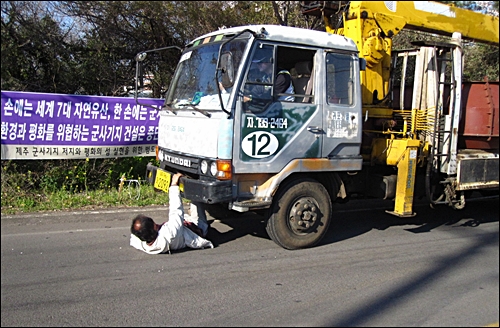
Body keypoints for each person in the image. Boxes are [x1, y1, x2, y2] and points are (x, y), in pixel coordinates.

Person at [129, 173, 213, 254]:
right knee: (195, 196)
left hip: (182, 227)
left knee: (182, 218)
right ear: (154, 227)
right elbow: (176, 210)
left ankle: (189, 215)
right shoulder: (170, 234)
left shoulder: (144, 243)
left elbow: (134, 237)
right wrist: (174, 185)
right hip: (197, 230)